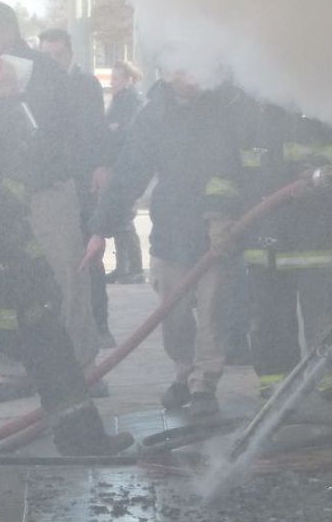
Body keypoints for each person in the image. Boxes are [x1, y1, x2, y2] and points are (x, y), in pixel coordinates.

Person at [0, 54, 134, 462]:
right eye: (13, 96)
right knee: (39, 362)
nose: (20, 105)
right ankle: (82, 445)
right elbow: (1, 215)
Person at [83, 53, 244, 418]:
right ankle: (182, 372)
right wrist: (100, 228)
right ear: (168, 72)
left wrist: (223, 215)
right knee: (174, 315)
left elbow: (235, 165)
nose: (192, 75)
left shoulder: (224, 108)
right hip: (171, 229)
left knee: (212, 312)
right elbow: (130, 171)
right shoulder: (154, 113)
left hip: (216, 230)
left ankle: (205, 383)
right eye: (182, 67)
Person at [0, 3, 102, 404]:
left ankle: (82, 368)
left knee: (66, 275)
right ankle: (14, 371)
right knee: (1, 279)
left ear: (10, 28)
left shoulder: (41, 70)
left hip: (45, 189)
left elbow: (65, 127)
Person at [234, 101, 332, 417]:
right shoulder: (246, 110)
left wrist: (322, 170)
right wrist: (219, 216)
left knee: (326, 311)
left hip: (317, 233)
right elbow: (226, 167)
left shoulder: (324, 101)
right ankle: (277, 384)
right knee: (270, 317)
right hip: (264, 233)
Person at [37, 28, 115, 350]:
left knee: (88, 255)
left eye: (58, 54)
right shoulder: (40, 85)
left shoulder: (86, 84)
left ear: (69, 53)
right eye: (46, 55)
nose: (52, 61)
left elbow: (97, 128)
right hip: (55, 180)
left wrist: (101, 166)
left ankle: (99, 325)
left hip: (83, 180)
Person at [101, 61, 145, 283]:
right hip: (116, 165)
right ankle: (123, 267)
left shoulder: (131, 101)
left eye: (116, 78)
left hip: (126, 167)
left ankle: (134, 269)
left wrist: (112, 129)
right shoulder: (120, 100)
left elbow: (125, 132)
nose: (112, 82)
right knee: (118, 216)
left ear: (128, 80)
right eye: (111, 78)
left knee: (125, 217)